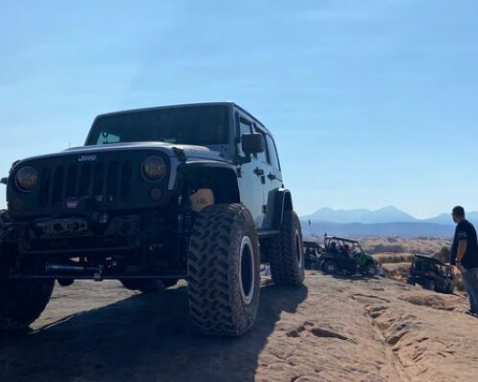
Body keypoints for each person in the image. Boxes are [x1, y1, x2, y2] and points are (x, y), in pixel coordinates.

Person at [450, 206, 478, 316]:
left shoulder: (462, 226)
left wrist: (458, 260)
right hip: (471, 262)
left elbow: (463, 244)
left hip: (468, 263)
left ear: (455, 215)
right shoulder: (468, 225)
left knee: (472, 286)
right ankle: (473, 309)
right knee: (470, 286)